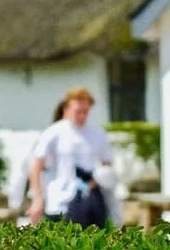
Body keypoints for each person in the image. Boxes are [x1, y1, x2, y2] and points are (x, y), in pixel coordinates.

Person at [26, 88, 115, 226]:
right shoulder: (54, 132)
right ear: (67, 109)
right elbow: (36, 165)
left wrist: (99, 178)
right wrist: (37, 199)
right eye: (78, 111)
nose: (82, 116)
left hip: (90, 199)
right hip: (59, 201)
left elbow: (107, 162)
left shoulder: (98, 134)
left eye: (85, 112)